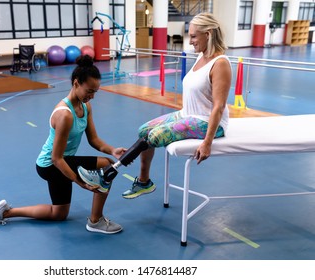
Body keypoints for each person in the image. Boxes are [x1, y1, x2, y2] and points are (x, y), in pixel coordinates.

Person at [78, 12, 232, 199]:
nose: (190, 41)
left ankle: (108, 174)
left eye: (193, 36)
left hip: (207, 122)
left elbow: (219, 106)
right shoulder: (201, 57)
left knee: (156, 136)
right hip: (188, 114)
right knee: (144, 130)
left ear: (208, 34)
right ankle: (144, 182)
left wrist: (207, 143)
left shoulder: (220, 63)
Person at [0, 55, 126, 234]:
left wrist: (113, 150)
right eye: (89, 91)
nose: (92, 96)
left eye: (95, 92)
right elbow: (56, 158)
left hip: (63, 161)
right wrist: (80, 182)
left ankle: (6, 212)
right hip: (50, 165)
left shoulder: (85, 106)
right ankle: (95, 221)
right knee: (106, 164)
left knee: (59, 213)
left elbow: (93, 140)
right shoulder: (64, 115)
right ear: (76, 83)